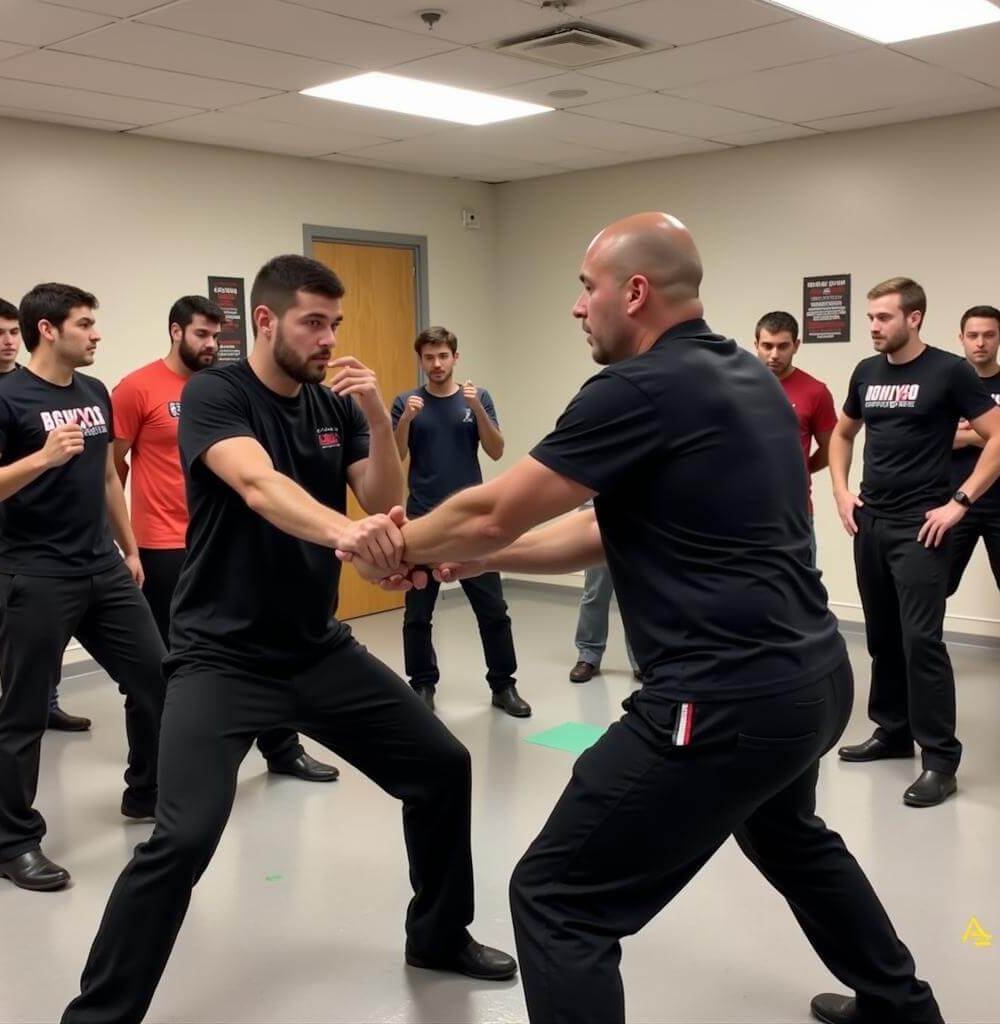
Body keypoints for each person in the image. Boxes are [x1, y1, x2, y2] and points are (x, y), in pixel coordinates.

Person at [346, 213, 943, 1024]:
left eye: (586, 288)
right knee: (789, 836)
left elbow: (490, 508)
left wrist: (378, 544)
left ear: (634, 292)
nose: (577, 307)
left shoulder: (637, 389)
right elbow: (604, 528)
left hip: (719, 698)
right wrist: (489, 561)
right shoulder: (748, 380)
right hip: (811, 682)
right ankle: (901, 1007)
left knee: (559, 899)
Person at [62, 256, 515, 1024]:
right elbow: (258, 484)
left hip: (317, 649)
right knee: (183, 839)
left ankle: (438, 935)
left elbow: (385, 496)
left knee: (442, 767)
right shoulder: (217, 394)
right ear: (265, 321)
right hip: (222, 658)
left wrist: (375, 414)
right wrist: (356, 539)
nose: (328, 339)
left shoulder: (329, 405)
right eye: (314, 321)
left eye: (335, 324)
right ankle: (99, 1014)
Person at [0, 283, 165, 892]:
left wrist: (129, 547)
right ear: (49, 329)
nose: (97, 334)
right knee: (24, 712)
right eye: (86, 323)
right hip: (34, 574)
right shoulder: (3, 400)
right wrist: (39, 460)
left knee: (158, 679)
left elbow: (110, 475)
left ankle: (147, 793)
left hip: (101, 568)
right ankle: (13, 844)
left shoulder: (94, 392)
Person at [112, 293, 339, 782]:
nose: (213, 344)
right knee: (169, 667)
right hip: (167, 543)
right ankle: (154, 778)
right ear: (176, 331)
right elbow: (113, 469)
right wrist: (127, 543)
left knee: (266, 641)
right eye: (202, 334)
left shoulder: (230, 388)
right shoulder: (136, 388)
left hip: (233, 541)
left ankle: (282, 748)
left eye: (217, 335)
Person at [829, 279, 1000, 808]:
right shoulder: (866, 372)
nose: (874, 327)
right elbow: (842, 434)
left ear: (915, 318)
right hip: (871, 522)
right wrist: (839, 491)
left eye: (883, 318)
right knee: (881, 635)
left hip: (920, 526)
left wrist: (960, 503)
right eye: (871, 318)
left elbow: (998, 435)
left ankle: (940, 760)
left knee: (920, 641)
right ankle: (892, 731)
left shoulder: (948, 371)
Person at [391, 326, 528, 717]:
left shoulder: (477, 398)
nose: (436, 364)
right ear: (421, 360)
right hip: (421, 521)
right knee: (418, 613)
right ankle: (422, 685)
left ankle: (503, 685)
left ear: (455, 358)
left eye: (443, 356)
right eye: (429, 357)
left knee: (493, 610)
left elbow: (497, 451)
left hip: (472, 524)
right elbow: (395, 453)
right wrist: (405, 421)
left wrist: (479, 409)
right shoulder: (406, 402)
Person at [0, 297, 90, 756]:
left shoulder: (40, 383)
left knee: (44, 631)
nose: (7, 342)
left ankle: (49, 703)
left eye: (11, 332)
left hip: (42, 530)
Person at [755, 310, 837, 565]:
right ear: (756, 345)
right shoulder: (734, 386)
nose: (774, 355)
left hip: (794, 514)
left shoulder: (815, 391)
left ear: (796, 345)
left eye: (783, 346)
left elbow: (832, 446)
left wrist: (804, 469)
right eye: (767, 346)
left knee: (802, 593)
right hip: (746, 512)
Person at [946, 305, 1000, 596]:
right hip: (953, 503)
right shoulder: (947, 384)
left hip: (999, 504)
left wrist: (966, 432)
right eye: (973, 335)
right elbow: (932, 438)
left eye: (989, 335)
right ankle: (925, 644)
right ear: (961, 338)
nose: (980, 342)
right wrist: (985, 436)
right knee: (935, 587)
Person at [568, 500, 641, 683]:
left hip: (636, 511)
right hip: (597, 512)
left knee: (636, 595)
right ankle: (588, 656)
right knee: (595, 592)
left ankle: (642, 660)